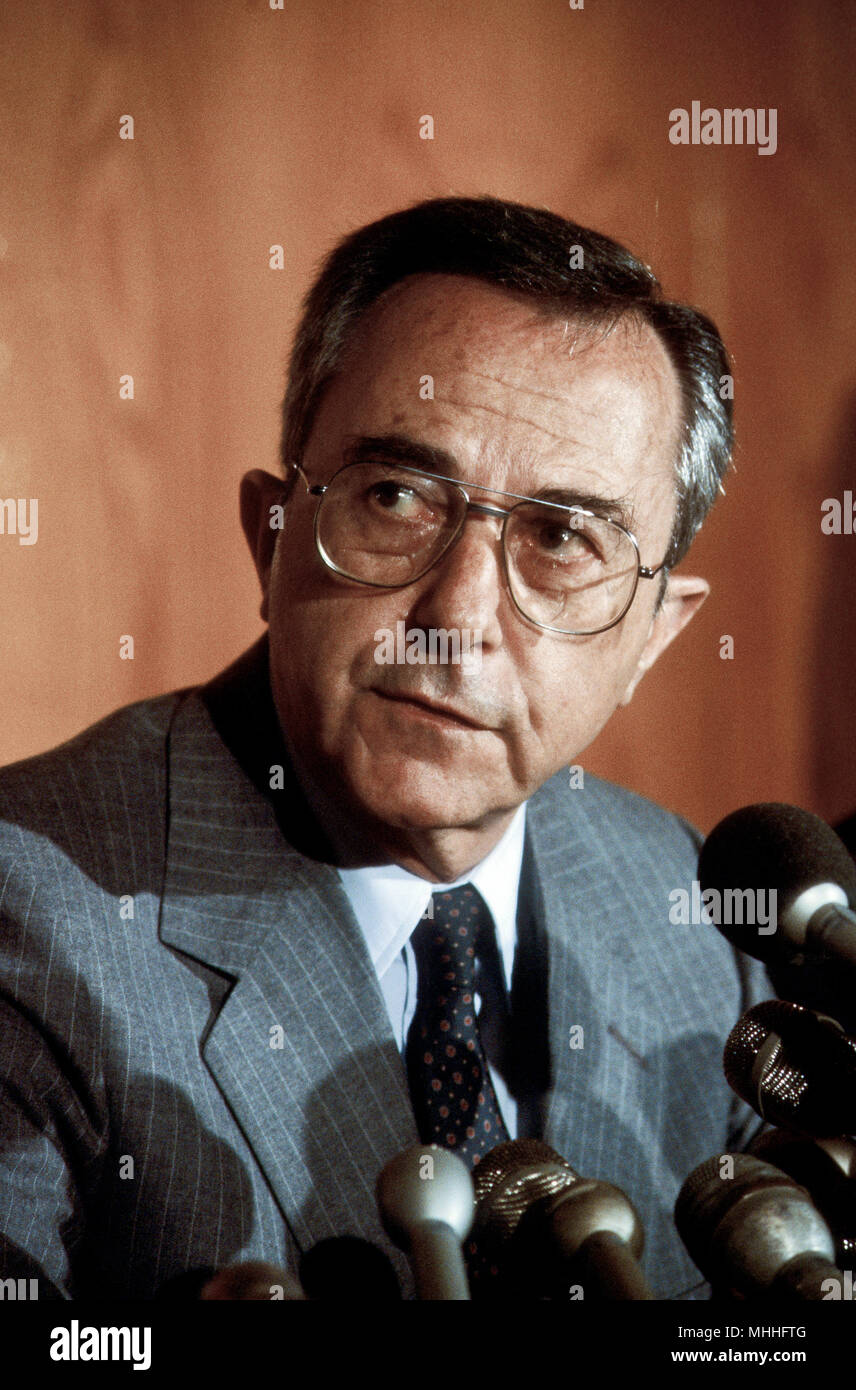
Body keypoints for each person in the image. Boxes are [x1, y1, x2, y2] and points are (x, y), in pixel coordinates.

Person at [0, 196, 761, 1301]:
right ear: (271, 537)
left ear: (654, 632)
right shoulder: (30, 920)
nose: (458, 613)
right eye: (397, 496)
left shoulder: (695, 922)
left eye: (560, 537)